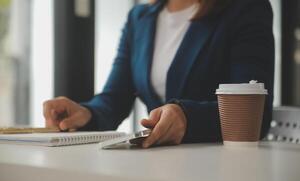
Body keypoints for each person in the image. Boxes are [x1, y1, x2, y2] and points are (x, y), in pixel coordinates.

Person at [43, 0, 274, 148]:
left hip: (220, 168)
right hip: (157, 166)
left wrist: (187, 117)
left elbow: (255, 113)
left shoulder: (246, 8)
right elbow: (115, 99)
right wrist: (86, 113)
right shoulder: (139, 18)